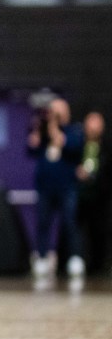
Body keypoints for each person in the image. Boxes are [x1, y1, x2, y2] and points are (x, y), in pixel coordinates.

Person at [27, 97, 85, 280]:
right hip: (45, 187)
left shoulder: (74, 131)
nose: (53, 114)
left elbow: (65, 144)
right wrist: (37, 131)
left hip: (66, 187)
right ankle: (42, 258)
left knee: (70, 223)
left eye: (57, 110)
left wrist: (53, 127)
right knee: (43, 223)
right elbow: (31, 149)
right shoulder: (43, 133)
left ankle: (74, 258)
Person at [77, 111, 110, 273]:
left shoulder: (106, 146)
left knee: (99, 231)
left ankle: (98, 265)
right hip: (81, 195)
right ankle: (75, 261)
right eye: (91, 123)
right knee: (77, 228)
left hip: (100, 195)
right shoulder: (79, 143)